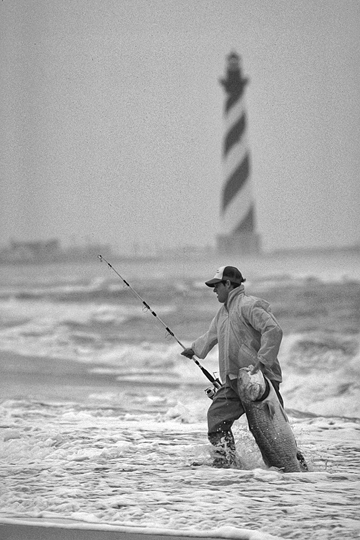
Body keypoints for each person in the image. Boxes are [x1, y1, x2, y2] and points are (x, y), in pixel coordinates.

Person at [181, 265, 284, 468]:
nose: (214, 290)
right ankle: (226, 463)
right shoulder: (223, 312)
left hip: (260, 382)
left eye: (216, 285)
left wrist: (262, 361)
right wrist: (194, 349)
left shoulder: (249, 305)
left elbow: (273, 330)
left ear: (228, 284)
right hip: (234, 381)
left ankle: (295, 470)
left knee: (272, 434)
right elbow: (211, 336)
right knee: (216, 418)